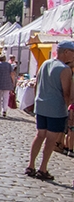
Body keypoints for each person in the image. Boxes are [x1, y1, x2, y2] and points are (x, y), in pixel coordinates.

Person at [25, 40, 74, 181]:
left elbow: (37, 85)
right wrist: (68, 109)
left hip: (41, 105)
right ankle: (43, 168)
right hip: (55, 108)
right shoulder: (64, 69)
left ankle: (31, 165)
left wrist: (36, 101)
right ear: (66, 52)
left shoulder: (45, 63)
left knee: (40, 135)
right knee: (51, 138)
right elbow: (66, 93)